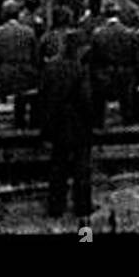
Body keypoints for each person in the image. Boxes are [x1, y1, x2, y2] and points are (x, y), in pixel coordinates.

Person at [39, 27, 94, 222]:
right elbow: (86, 100)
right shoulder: (80, 69)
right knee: (81, 168)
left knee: (57, 167)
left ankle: (56, 206)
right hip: (78, 124)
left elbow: (43, 96)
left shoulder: (51, 67)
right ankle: (83, 206)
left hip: (56, 123)